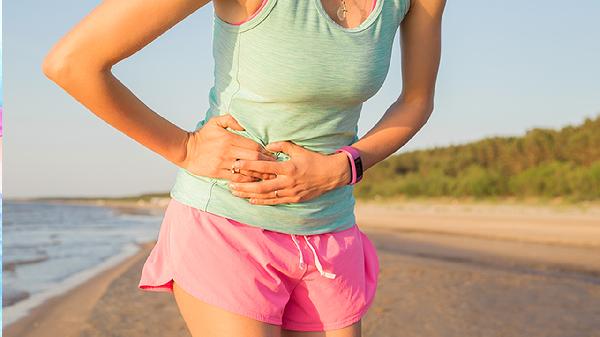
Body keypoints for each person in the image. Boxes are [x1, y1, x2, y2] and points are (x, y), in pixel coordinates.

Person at [42, 0, 446, 335]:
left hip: (329, 231)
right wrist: (184, 147)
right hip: (227, 224)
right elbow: (73, 62)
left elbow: (416, 101)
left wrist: (347, 166)